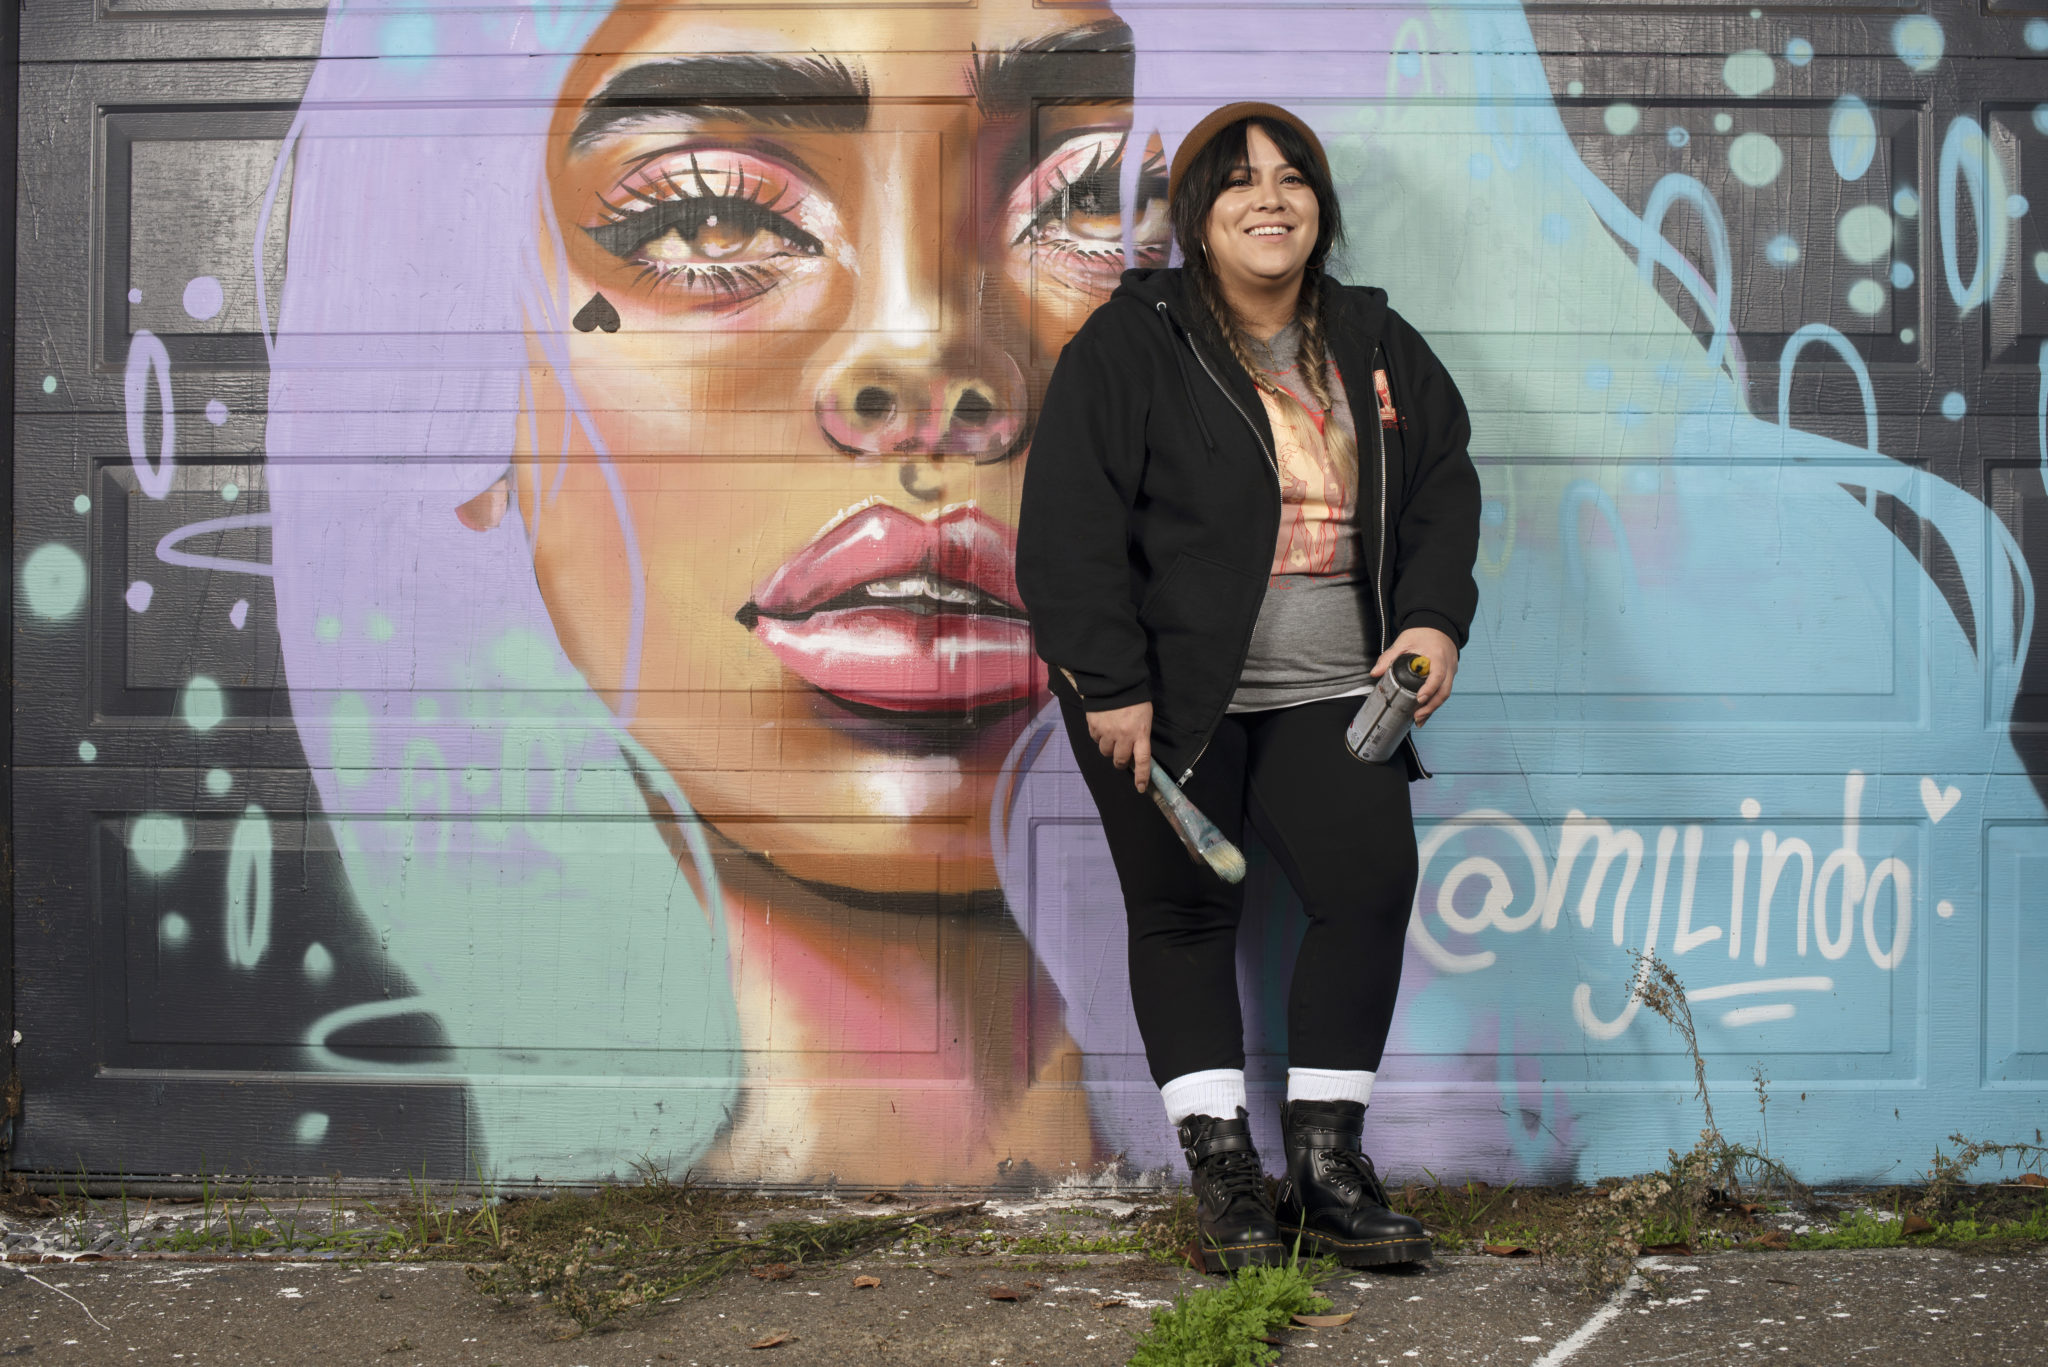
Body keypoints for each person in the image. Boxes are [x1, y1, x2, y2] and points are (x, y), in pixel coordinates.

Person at [1017, 102, 1481, 1269]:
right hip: (1165, 695)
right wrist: (1109, 682)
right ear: (1194, 216)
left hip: (1335, 684)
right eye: (1238, 182)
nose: (1268, 199)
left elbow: (1439, 489)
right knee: (1182, 915)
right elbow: (1067, 527)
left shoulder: (1374, 340)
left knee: (1366, 889)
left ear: (1318, 207)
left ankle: (1326, 1170)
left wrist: (1431, 616)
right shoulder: (1131, 345)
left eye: (1291, 178)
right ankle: (1225, 1175)